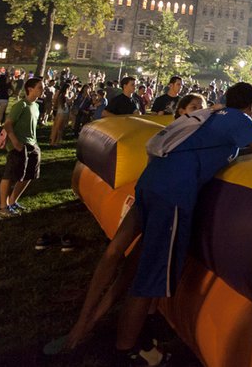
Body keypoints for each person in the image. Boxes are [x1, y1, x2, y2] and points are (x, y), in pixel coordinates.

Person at [113, 83, 252, 365]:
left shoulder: (215, 115)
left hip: (153, 184)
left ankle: (146, 336)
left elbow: (229, 148)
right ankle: (127, 348)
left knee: (153, 264)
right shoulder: (239, 118)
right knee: (153, 272)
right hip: (172, 193)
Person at [48, 94, 210, 357]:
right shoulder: (176, 133)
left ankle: (89, 325)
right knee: (117, 256)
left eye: (202, 108)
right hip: (155, 200)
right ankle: (90, 326)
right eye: (194, 107)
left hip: (152, 198)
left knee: (128, 266)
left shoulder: (182, 133)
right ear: (181, 110)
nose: (200, 112)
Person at [0, 78, 44, 217]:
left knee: (30, 174)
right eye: (40, 87)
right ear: (30, 89)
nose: (43, 90)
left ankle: (13, 201)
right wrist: (15, 142)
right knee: (10, 175)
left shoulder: (36, 106)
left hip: (32, 144)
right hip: (18, 145)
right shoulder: (21, 105)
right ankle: (3, 206)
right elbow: (8, 124)